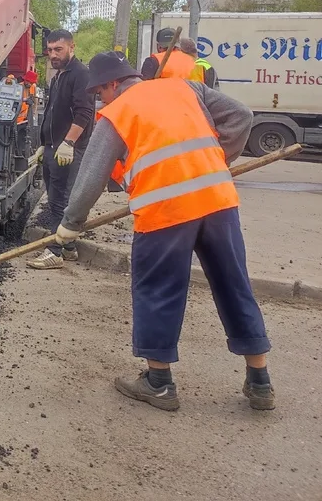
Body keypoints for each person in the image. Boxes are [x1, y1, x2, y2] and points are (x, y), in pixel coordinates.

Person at [54, 52, 274, 412]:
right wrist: (218, 159)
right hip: (218, 200)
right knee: (234, 284)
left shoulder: (119, 111)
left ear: (113, 84)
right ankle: (260, 380)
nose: (100, 100)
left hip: (165, 212)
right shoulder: (186, 88)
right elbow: (242, 116)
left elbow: (92, 174)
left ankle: (158, 384)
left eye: (100, 92)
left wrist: (71, 223)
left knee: (159, 290)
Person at [28, 30, 95, 270]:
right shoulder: (58, 76)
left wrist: (68, 143)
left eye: (58, 49)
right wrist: (44, 143)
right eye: (50, 50)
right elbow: (52, 112)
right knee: (56, 197)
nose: (53, 55)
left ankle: (55, 252)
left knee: (60, 201)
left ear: (71, 47)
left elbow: (84, 113)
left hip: (67, 150)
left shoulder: (81, 74)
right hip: (53, 147)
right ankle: (68, 248)